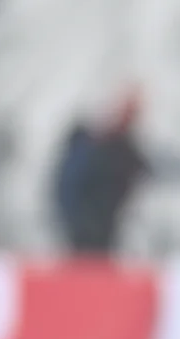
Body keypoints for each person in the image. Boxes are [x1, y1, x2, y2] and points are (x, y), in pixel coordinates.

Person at [49, 87, 152, 255]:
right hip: (86, 228)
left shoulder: (122, 149)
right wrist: (82, 220)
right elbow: (70, 188)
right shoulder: (91, 148)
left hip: (103, 228)